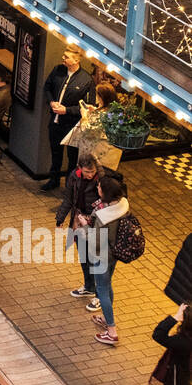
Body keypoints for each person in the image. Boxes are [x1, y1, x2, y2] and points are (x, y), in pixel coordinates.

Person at [86, 170, 134, 347]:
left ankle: (111, 331)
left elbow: (95, 243)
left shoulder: (103, 217)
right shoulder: (122, 205)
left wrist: (85, 227)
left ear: (105, 193)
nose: (97, 187)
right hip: (114, 254)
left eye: (99, 187)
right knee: (108, 286)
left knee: (102, 291)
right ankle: (107, 319)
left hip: (102, 257)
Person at [41, 47, 96, 191]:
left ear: (76, 60)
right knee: (55, 152)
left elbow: (89, 107)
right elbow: (47, 88)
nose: (63, 59)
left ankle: (70, 186)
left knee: (72, 158)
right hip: (55, 122)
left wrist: (67, 110)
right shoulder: (58, 70)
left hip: (72, 126)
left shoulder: (87, 80)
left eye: (66, 57)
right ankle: (54, 180)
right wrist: (51, 102)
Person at [55, 152, 103, 300]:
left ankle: (99, 293)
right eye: (87, 172)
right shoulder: (74, 176)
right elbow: (68, 199)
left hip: (95, 223)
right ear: (80, 168)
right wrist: (60, 219)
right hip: (78, 220)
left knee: (94, 258)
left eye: (92, 172)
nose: (90, 175)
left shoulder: (102, 179)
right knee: (83, 256)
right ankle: (89, 287)